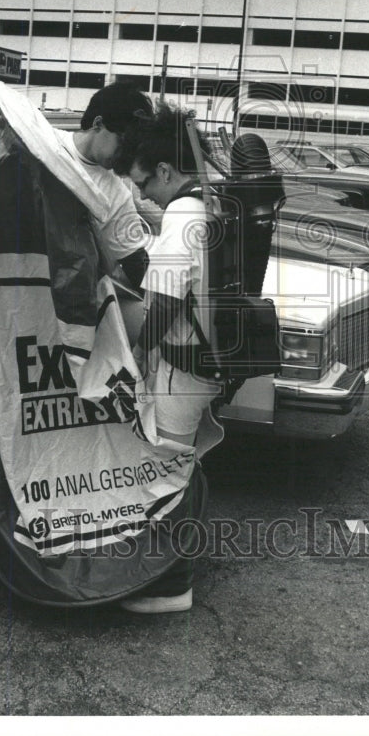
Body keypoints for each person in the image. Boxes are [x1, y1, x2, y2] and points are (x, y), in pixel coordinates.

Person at [0, 84, 153, 610]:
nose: (129, 154)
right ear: (99, 122)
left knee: (43, 418)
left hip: (59, 309)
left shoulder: (114, 189)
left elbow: (135, 264)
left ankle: (28, 539)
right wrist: (1, 130)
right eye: (125, 139)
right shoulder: (36, 143)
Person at [117, 104, 225, 614]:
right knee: (187, 462)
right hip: (212, 360)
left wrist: (138, 355)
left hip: (183, 366)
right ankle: (180, 563)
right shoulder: (212, 199)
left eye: (144, 183)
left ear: (165, 170)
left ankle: (170, 584)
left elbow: (163, 301)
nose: (142, 195)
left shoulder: (181, 212)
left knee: (168, 468)